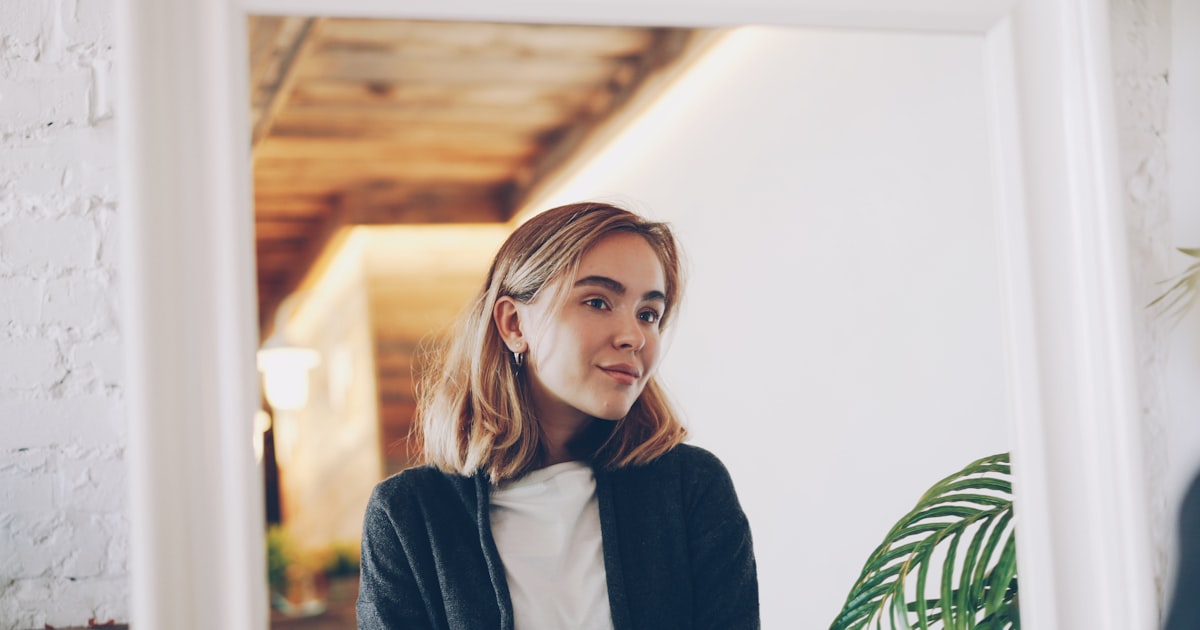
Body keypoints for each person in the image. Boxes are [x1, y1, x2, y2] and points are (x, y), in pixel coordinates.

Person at [356, 202, 759, 630]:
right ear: (514, 324)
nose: (634, 336)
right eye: (598, 302)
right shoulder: (408, 515)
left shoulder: (691, 488)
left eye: (648, 314)